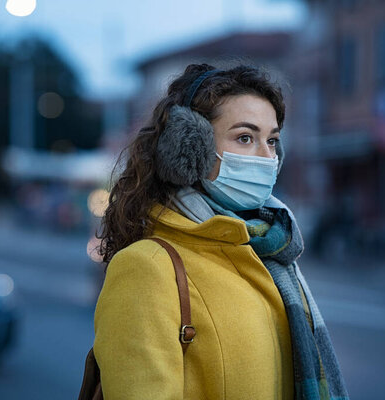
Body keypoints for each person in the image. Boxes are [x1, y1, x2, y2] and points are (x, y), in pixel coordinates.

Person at [94, 63, 349, 400]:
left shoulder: (271, 252)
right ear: (191, 150)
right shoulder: (147, 267)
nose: (266, 157)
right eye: (245, 137)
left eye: (272, 141)